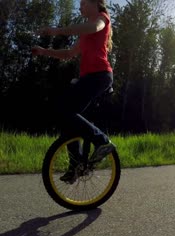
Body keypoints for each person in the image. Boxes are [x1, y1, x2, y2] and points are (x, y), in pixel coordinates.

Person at [32, 0, 115, 182]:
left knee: (64, 109)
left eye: (84, 3)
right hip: (88, 78)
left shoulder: (102, 19)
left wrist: (57, 30)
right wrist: (44, 51)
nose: (80, 7)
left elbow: (94, 27)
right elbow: (69, 54)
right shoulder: (84, 35)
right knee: (67, 119)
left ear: (96, 4)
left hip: (100, 76)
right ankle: (76, 164)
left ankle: (102, 141)